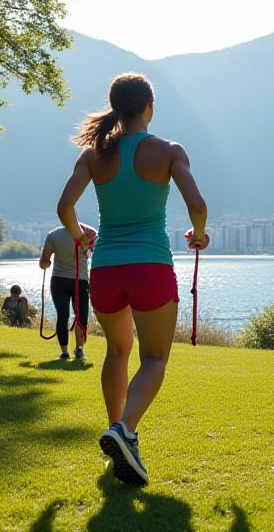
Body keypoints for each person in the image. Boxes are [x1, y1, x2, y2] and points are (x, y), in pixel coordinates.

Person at [57, 72, 208, 485]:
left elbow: (65, 207)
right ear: (149, 108)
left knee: (117, 353)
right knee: (155, 358)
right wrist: (197, 235)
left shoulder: (94, 155)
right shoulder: (169, 150)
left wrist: (79, 238)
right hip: (150, 266)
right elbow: (197, 204)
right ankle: (124, 430)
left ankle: (118, 433)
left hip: (105, 268)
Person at [39, 223, 97, 360]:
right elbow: (98, 253)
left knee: (62, 315)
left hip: (60, 280)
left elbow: (43, 263)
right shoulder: (90, 232)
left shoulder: (53, 235)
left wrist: (46, 264)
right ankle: (79, 349)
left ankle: (65, 352)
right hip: (81, 280)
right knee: (81, 316)